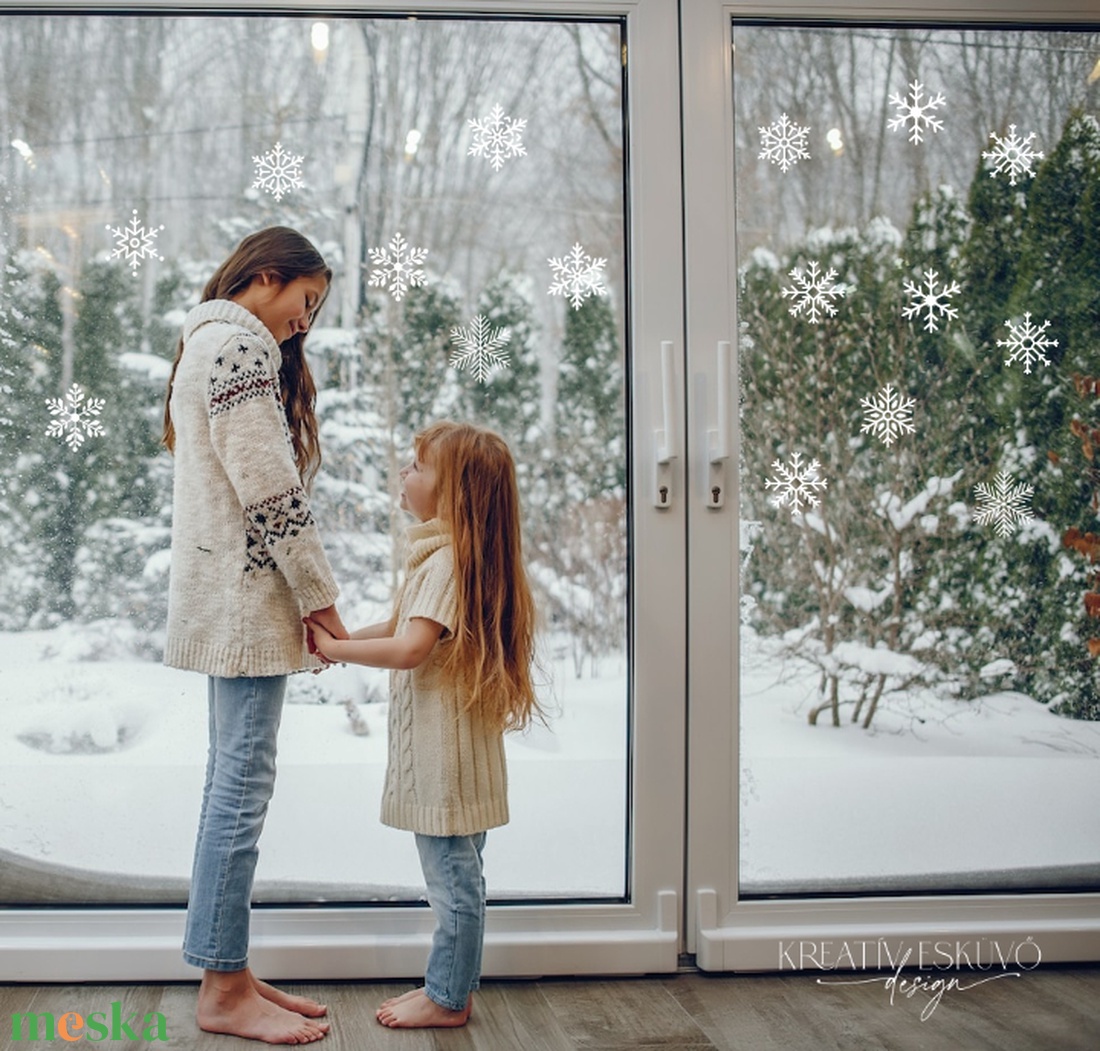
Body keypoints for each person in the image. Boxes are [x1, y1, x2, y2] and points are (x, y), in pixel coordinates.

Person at [162, 226, 348, 1044]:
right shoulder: (238, 353)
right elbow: (271, 493)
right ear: (266, 276)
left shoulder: (203, 345)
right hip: (246, 605)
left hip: (220, 600)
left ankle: (226, 966)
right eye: (305, 303)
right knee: (240, 790)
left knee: (228, 786)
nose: (304, 324)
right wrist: (320, 599)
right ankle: (223, 986)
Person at [306, 420, 541, 1029]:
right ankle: (447, 988)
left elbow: (410, 648)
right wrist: (335, 642)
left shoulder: (447, 563)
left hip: (446, 761)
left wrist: (338, 650)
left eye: (416, 467)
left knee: (453, 885)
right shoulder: (449, 557)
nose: (403, 476)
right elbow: (398, 625)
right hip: (460, 756)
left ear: (453, 491)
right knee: (461, 877)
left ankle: (448, 997)